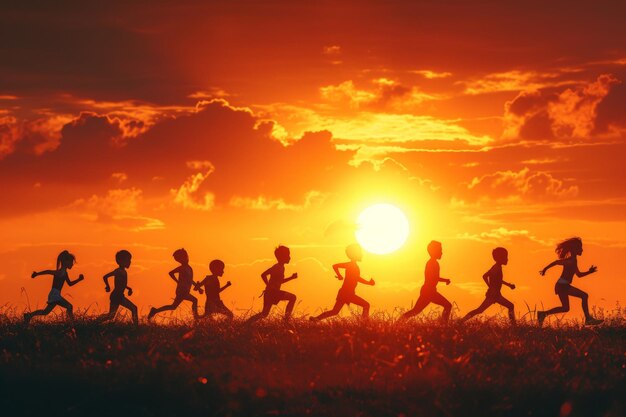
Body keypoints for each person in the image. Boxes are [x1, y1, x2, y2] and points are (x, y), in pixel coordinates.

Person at [537, 237, 602, 326]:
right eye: (580, 247)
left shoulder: (574, 260)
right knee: (584, 295)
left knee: (565, 308)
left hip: (563, 285)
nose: (582, 250)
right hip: (562, 286)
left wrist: (589, 272)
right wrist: (545, 269)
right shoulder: (570, 260)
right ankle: (588, 319)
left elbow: (578, 275)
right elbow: (556, 262)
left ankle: (543, 314)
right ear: (575, 249)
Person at [310, 243, 374, 321]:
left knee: (335, 311)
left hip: (345, 292)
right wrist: (339, 275)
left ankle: (316, 319)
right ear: (355, 254)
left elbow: (356, 278)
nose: (361, 254)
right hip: (347, 293)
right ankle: (364, 322)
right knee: (366, 305)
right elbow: (335, 266)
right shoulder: (351, 265)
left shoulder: (352, 265)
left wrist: (368, 283)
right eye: (360, 253)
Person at [24, 250, 85, 324]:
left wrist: (78, 280)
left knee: (45, 312)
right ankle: (72, 324)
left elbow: (70, 283)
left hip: (55, 294)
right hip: (55, 294)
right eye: (71, 262)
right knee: (69, 306)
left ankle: (29, 315)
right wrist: (37, 274)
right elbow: (48, 271)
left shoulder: (65, 273)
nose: (72, 264)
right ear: (66, 262)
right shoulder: (60, 272)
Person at [399, 240, 452, 323]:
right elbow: (433, 277)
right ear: (434, 252)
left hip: (429, 291)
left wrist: (445, 280)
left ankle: (398, 322)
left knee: (415, 311)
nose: (442, 253)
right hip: (429, 291)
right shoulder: (432, 263)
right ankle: (444, 325)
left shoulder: (433, 263)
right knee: (448, 306)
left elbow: (435, 277)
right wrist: (445, 280)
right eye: (440, 250)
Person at [462, 247, 516, 324]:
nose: (507, 259)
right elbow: (484, 276)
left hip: (496, 294)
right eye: (505, 257)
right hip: (493, 295)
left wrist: (508, 285)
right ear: (499, 258)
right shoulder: (496, 268)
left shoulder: (497, 267)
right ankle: (460, 321)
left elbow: (498, 280)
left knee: (510, 306)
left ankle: (514, 325)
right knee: (479, 310)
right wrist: (490, 287)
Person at [246, 245, 298, 323]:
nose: (289, 257)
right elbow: (263, 275)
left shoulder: (281, 267)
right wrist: (268, 285)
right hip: (272, 293)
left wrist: (291, 278)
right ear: (282, 257)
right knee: (293, 297)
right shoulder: (277, 267)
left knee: (264, 314)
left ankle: (246, 323)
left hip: (270, 293)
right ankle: (286, 320)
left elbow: (279, 281)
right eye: (288, 255)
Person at [148, 248, 199, 320]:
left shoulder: (189, 268)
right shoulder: (182, 268)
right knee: (194, 300)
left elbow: (190, 280)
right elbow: (171, 273)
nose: (185, 259)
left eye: (185, 257)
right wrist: (177, 281)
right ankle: (196, 317)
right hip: (182, 290)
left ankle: (155, 310)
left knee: (173, 307)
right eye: (181, 259)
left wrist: (198, 287)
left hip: (186, 290)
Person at [96, 249, 138, 325]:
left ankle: (96, 321)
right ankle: (136, 328)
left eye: (130, 260)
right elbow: (105, 276)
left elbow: (122, 284)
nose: (130, 262)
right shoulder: (118, 271)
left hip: (118, 295)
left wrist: (129, 288)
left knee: (110, 316)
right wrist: (107, 286)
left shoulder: (123, 271)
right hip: (117, 296)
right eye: (128, 260)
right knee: (134, 308)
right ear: (120, 261)